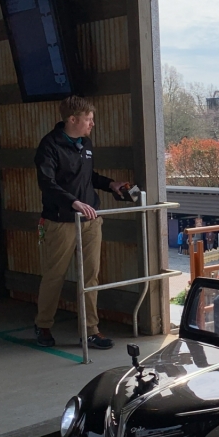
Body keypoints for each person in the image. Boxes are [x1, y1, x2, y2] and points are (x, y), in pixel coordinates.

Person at [34, 96, 130, 350]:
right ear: (72, 120)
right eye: (88, 119)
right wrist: (73, 203)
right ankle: (43, 325)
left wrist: (110, 184)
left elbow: (88, 177)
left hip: (90, 220)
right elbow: (47, 183)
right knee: (55, 275)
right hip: (60, 221)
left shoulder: (85, 144)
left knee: (91, 277)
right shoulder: (49, 146)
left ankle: (90, 330)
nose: (92, 124)